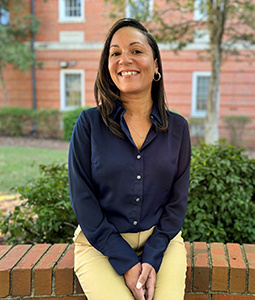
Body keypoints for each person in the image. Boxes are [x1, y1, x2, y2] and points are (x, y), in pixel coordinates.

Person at [68, 18, 191, 300]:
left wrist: (151, 256)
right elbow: (82, 199)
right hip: (100, 246)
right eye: (115, 53)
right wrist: (126, 262)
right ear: (107, 65)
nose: (125, 59)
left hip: (161, 242)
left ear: (156, 64)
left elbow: (176, 202)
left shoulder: (179, 129)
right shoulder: (89, 124)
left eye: (136, 50)